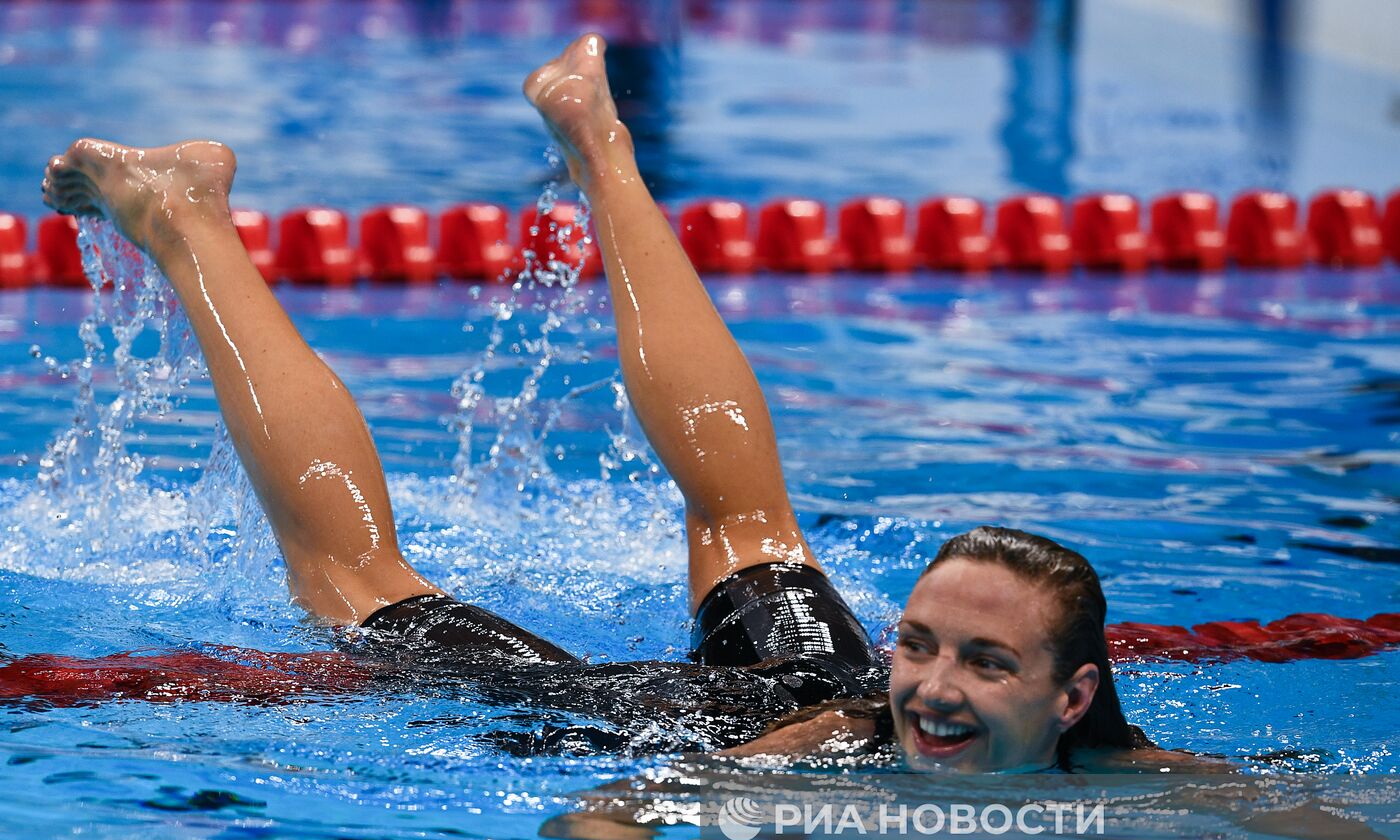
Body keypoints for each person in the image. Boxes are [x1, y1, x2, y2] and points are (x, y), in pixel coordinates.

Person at [37, 34, 1166, 773]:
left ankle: (594, 134)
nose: (931, 687)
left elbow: (1283, 812)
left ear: (1075, 697)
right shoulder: (868, 734)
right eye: (916, 645)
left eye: (981, 662)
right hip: (648, 715)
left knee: (748, 524)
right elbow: (650, 809)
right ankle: (185, 218)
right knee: (354, 579)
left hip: (803, 710)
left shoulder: (1126, 765)